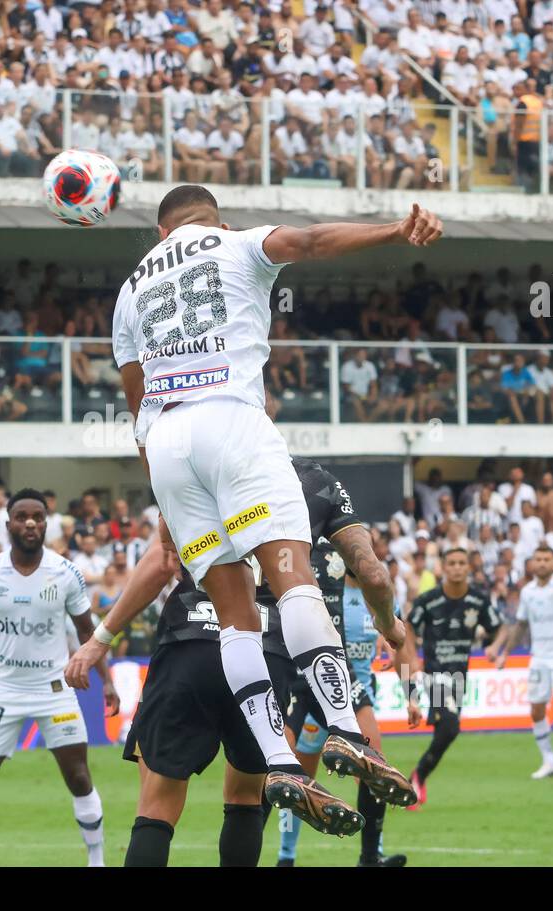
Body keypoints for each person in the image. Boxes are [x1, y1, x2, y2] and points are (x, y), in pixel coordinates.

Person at [98, 184, 439, 836]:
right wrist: (396, 231)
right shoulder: (234, 243)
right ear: (214, 219)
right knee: (291, 579)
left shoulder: (131, 288)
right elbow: (310, 242)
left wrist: (168, 505)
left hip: (169, 448)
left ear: (159, 232)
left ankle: (280, 761)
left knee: (235, 618)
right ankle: (344, 731)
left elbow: (136, 405)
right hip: (231, 420)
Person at [69, 457, 413, 866]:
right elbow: (371, 573)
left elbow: (161, 563)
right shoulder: (316, 482)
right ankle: (342, 736)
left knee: (157, 803)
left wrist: (100, 640)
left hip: (190, 641)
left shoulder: (197, 469)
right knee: (246, 797)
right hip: (266, 652)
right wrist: (389, 624)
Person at [0, 489, 118, 867]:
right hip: (3, 689)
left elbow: (87, 630)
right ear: (9, 523)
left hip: (54, 689)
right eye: (23, 516)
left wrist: (106, 680)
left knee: (78, 776)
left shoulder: (65, 572)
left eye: (38, 517)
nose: (31, 523)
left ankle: (97, 859)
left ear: (46, 523)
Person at [277, 540, 413, 868]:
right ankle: (286, 856)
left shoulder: (378, 598)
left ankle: (371, 854)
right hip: (314, 688)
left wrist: (410, 692)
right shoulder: (327, 586)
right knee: (296, 773)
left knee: (373, 770)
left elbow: (403, 645)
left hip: (355, 693)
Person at [404, 547, 506, 807]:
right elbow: (406, 627)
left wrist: (495, 647)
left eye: (462, 563)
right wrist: (411, 658)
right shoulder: (428, 600)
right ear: (444, 568)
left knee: (446, 731)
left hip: (460, 677)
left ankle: (416, 779)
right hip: (434, 674)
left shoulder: (478, 601)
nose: (458, 567)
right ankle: (417, 779)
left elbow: (500, 626)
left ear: (468, 568)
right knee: (451, 726)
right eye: (452, 563)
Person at [488, 544, 553, 778]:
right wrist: (505, 653)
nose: (542, 563)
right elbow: (521, 624)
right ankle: (549, 762)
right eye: (538, 559)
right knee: (536, 711)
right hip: (539, 656)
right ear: (532, 563)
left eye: (547, 559)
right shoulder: (528, 592)